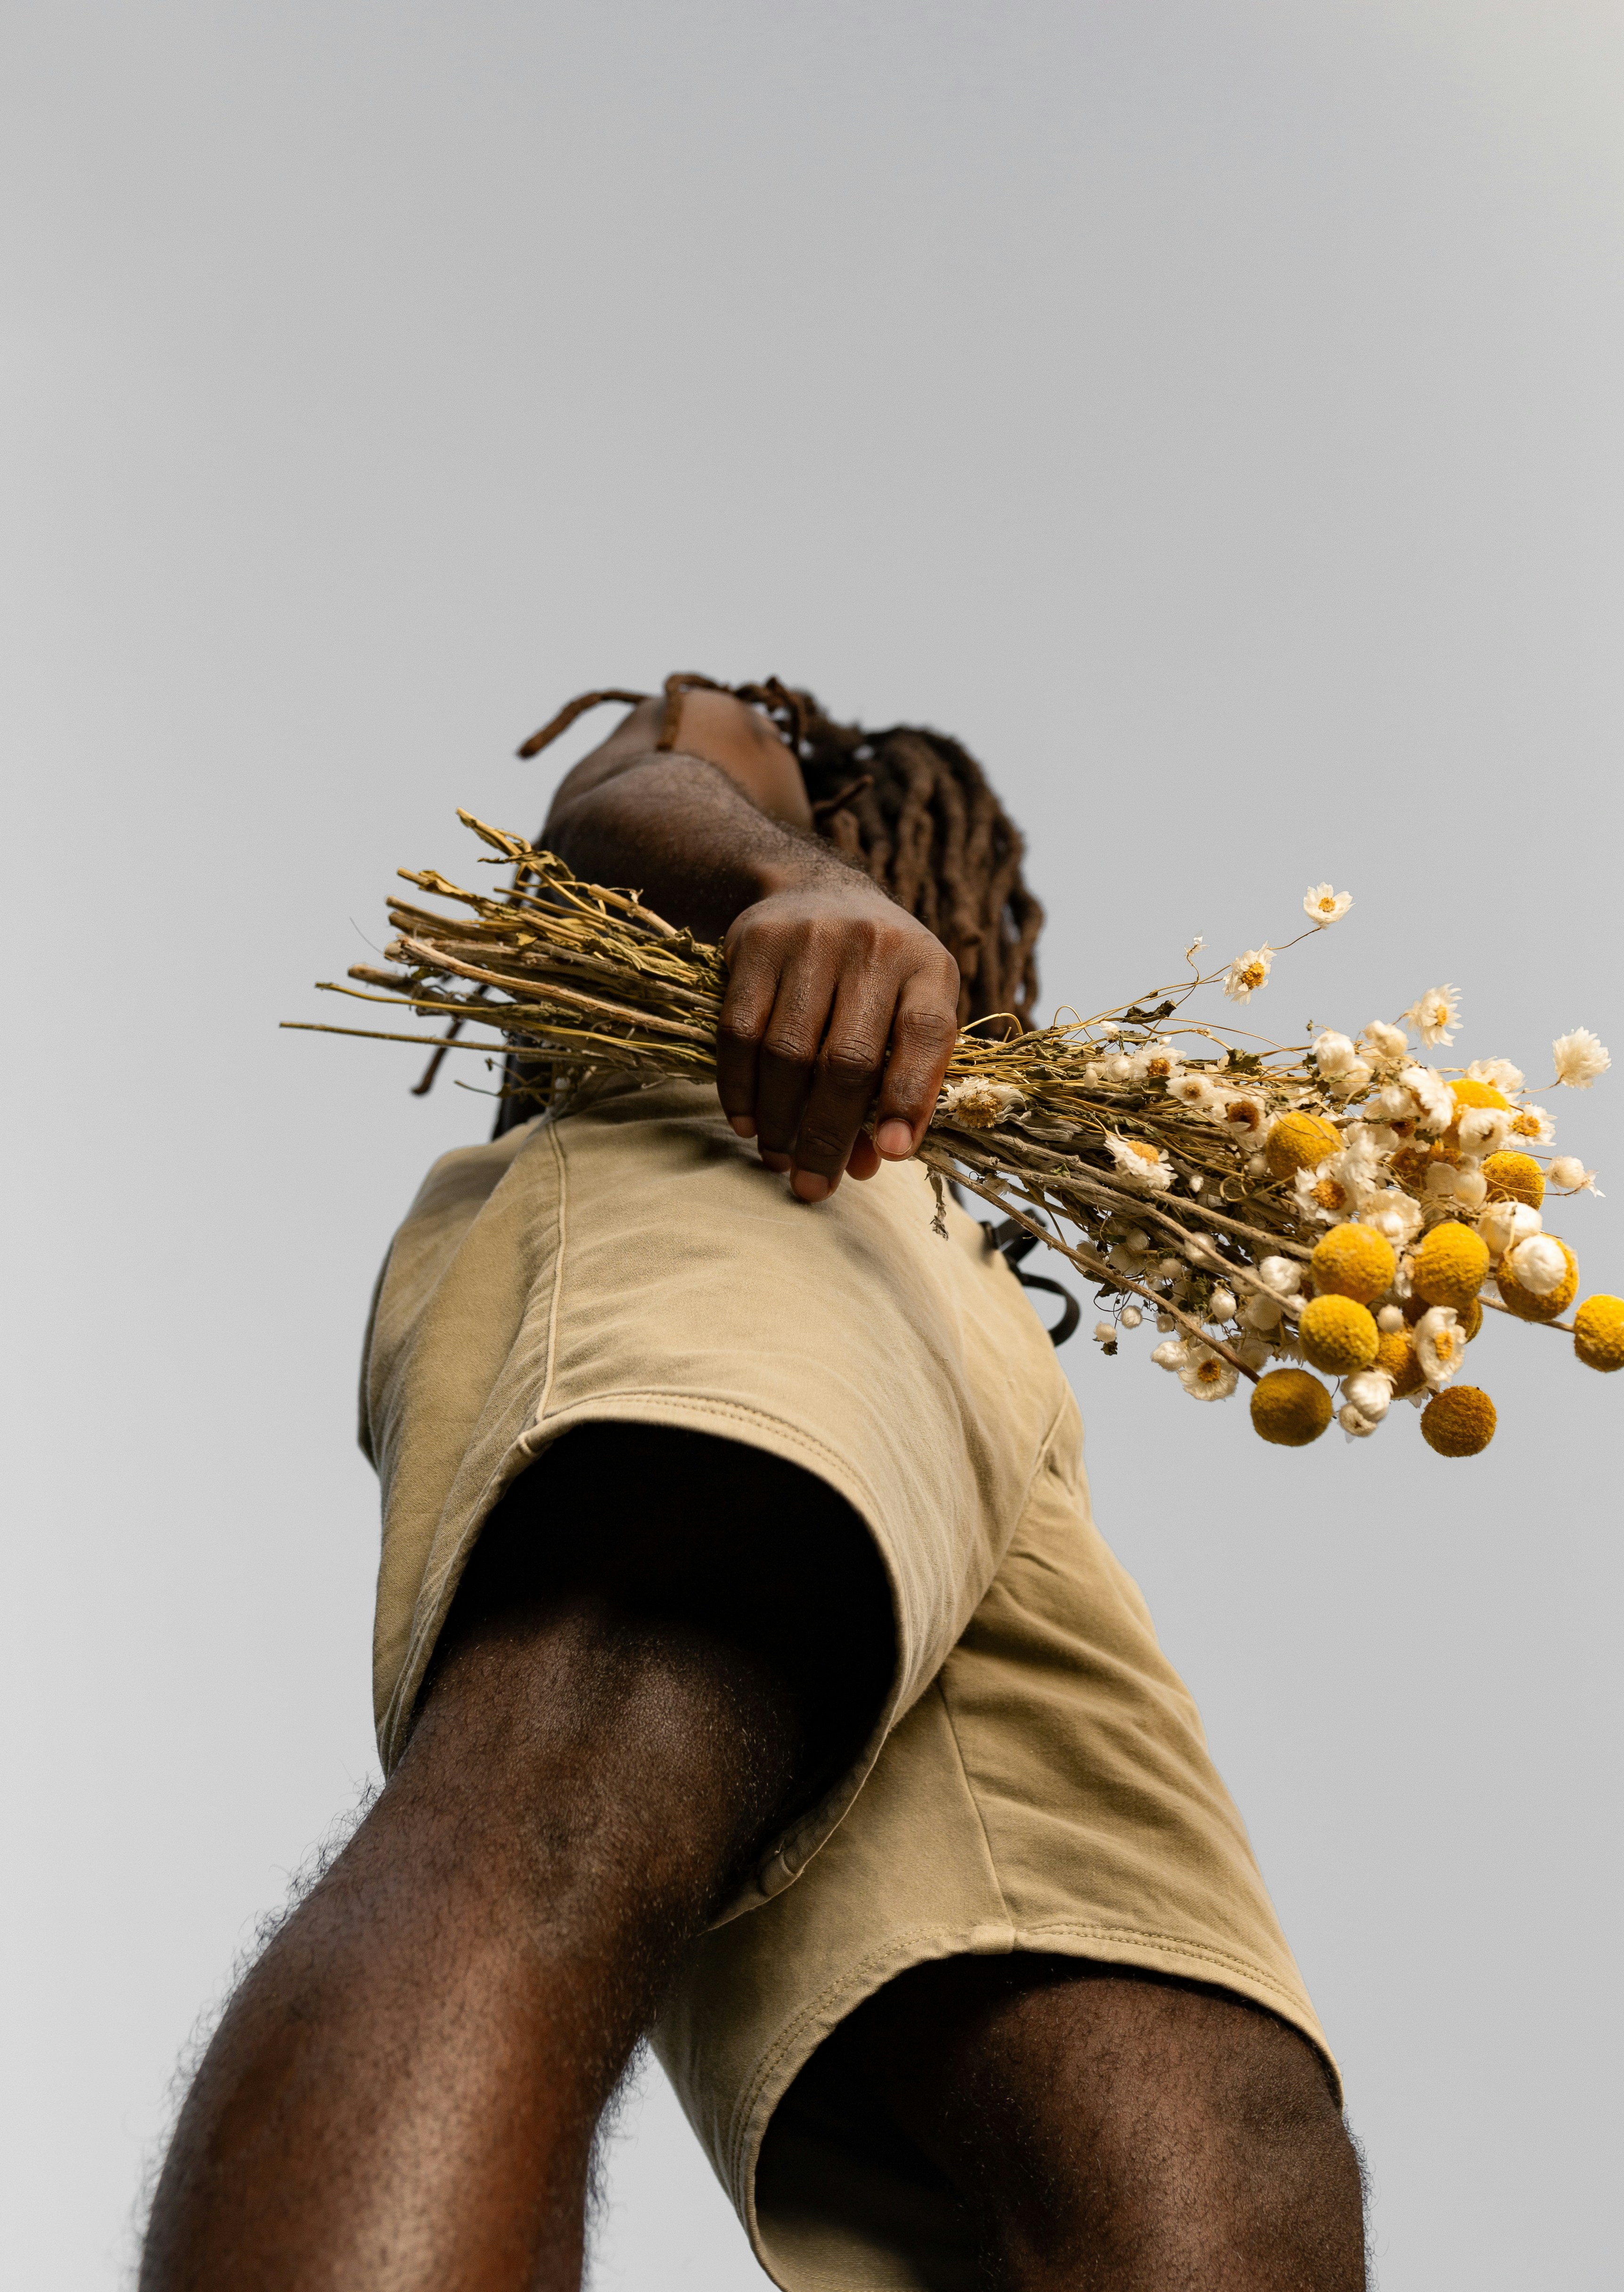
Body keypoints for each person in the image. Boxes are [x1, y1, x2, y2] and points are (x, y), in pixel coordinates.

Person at [142, 676, 1367, 2291]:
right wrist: (802, 880)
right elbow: (624, 797)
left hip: (973, 1354)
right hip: (738, 1148)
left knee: (1235, 2141)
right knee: (618, 1732)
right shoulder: (755, 764)